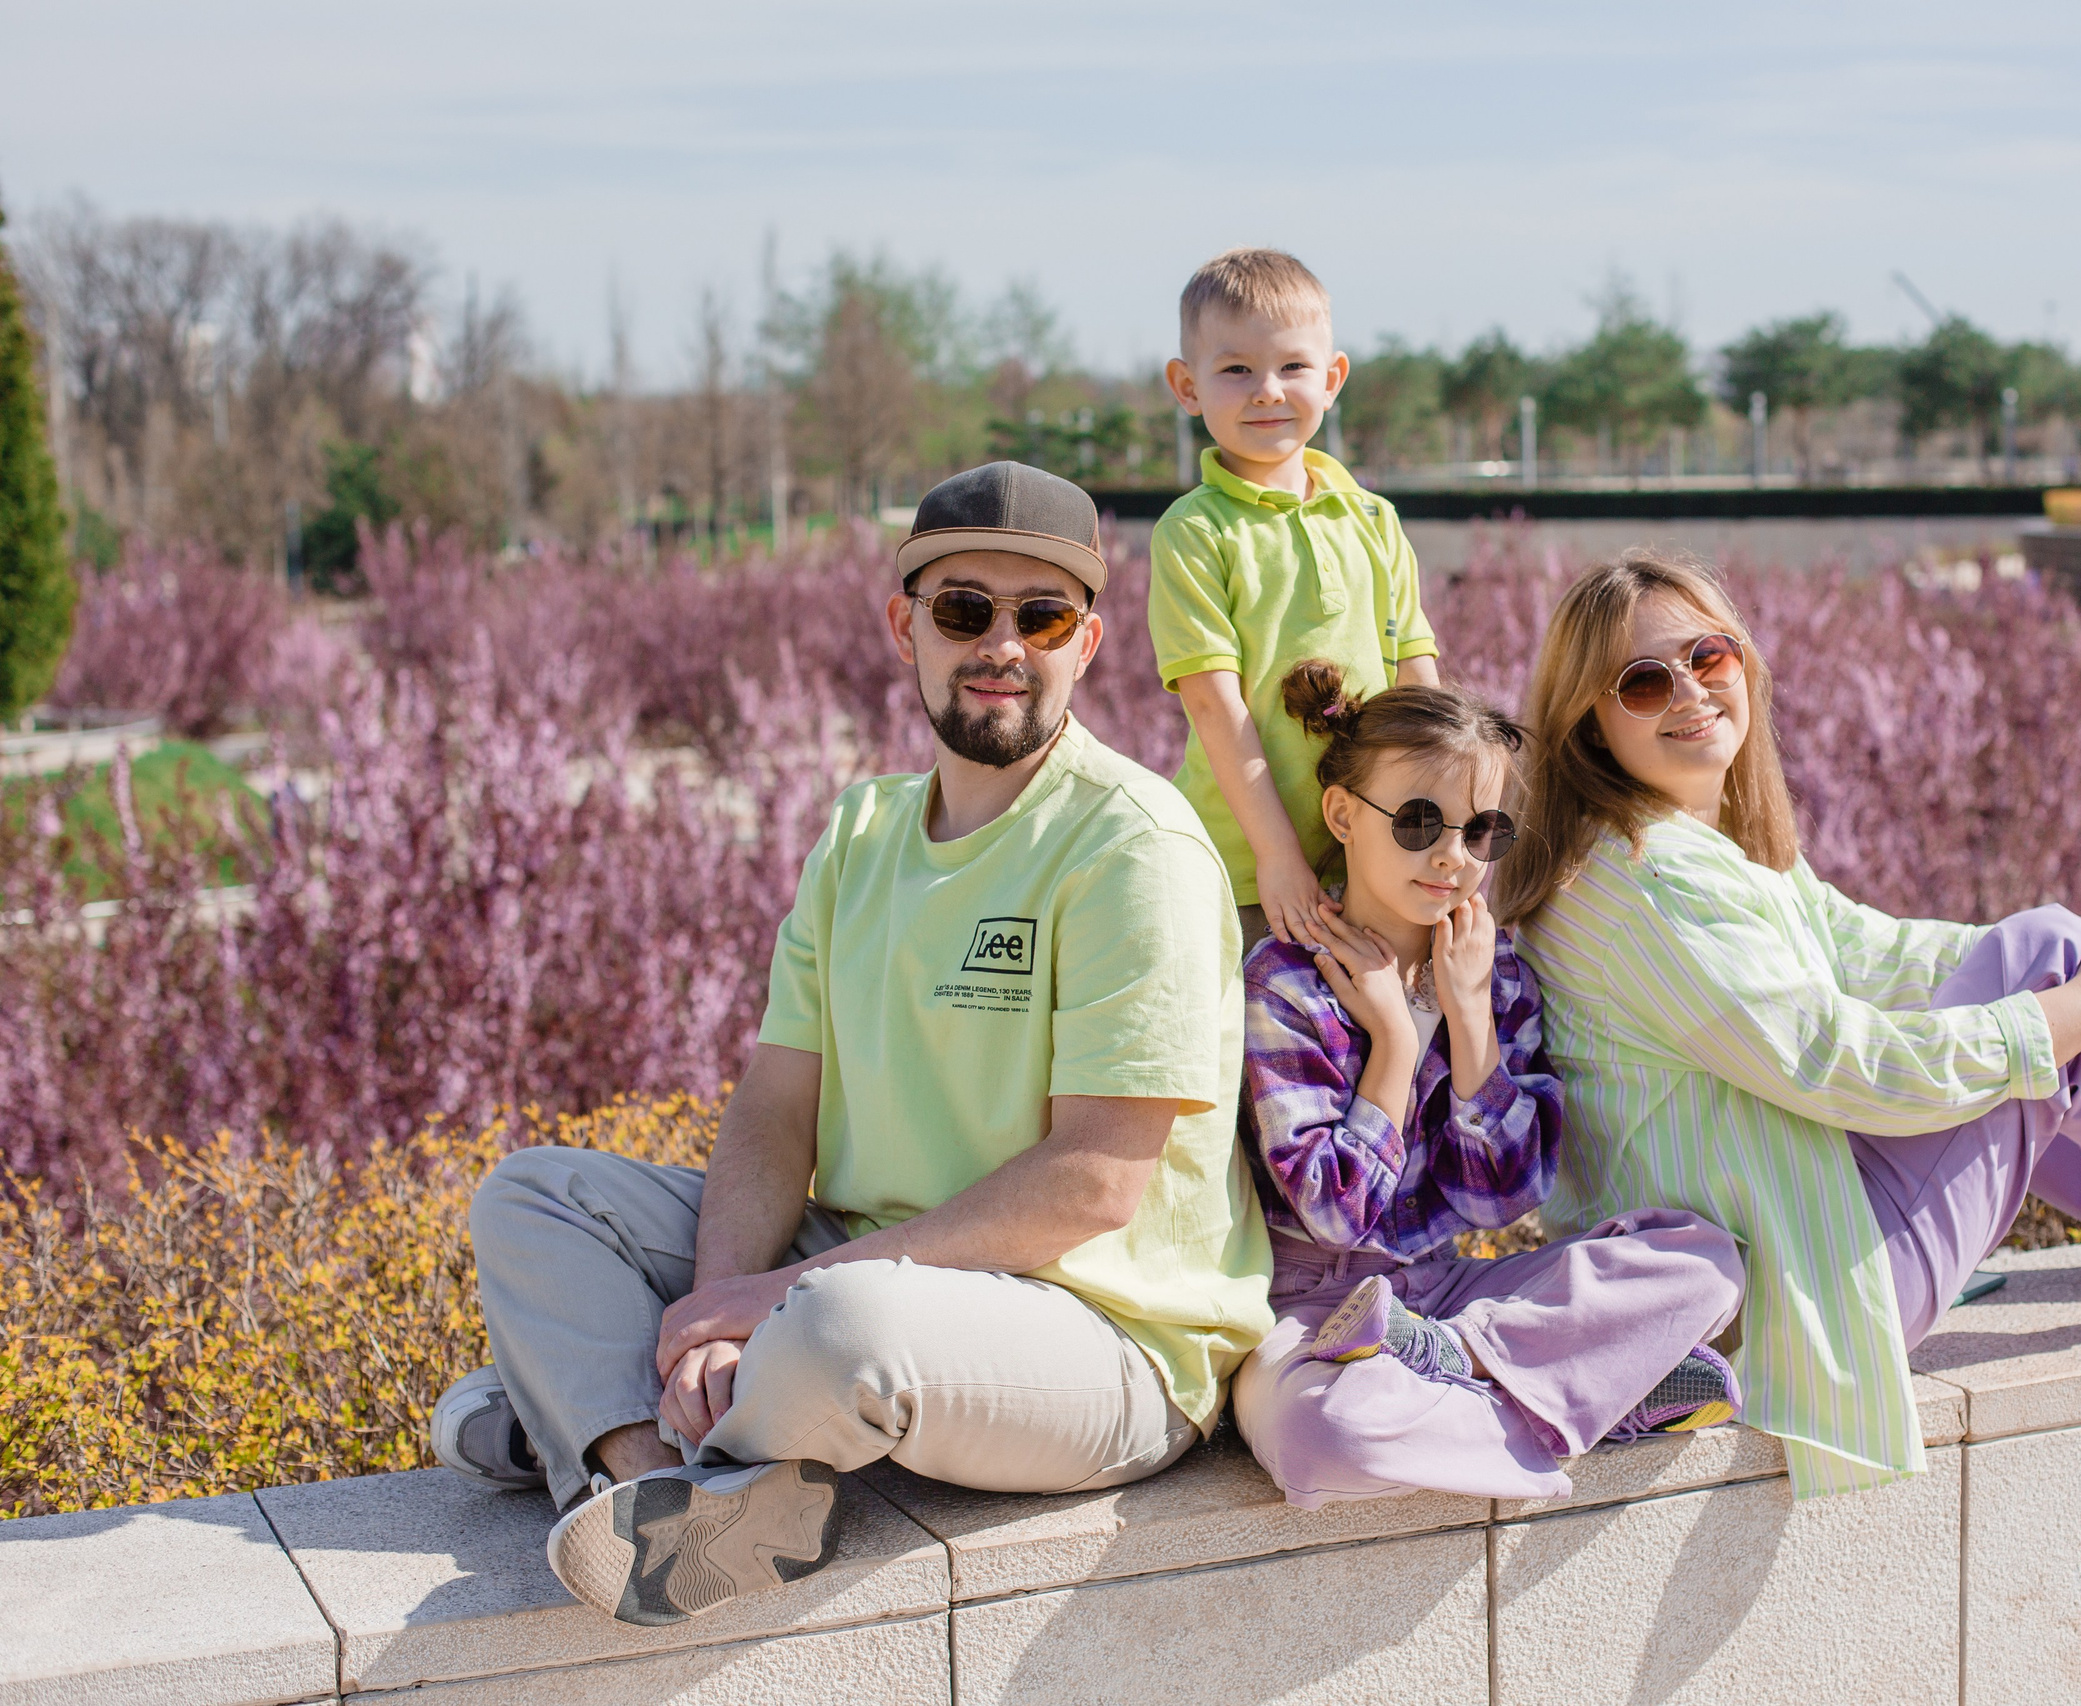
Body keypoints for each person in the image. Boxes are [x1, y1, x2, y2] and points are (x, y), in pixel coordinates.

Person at [432, 462, 1273, 1624]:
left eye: (1041, 616)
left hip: (1108, 1333)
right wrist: (724, 1296)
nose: (1002, 643)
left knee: (843, 1327)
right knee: (535, 1195)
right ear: (904, 625)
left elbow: (1095, 1180)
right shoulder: (862, 831)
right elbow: (775, 1108)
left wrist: (777, 1297)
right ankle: (651, 1477)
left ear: (1088, 641)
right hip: (881, 1260)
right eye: (963, 609)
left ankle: (575, 1416)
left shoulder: (1132, 844)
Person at [1499, 551, 2081, 1499]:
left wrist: (2074, 949)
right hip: (1801, 1293)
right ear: (1591, 727)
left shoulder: (1683, 844)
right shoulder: (1655, 880)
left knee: (2046, 954)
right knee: (2045, 991)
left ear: (1745, 665)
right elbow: (1837, 1065)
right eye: (1644, 682)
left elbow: (1869, 952)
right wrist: (2069, 1003)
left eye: (1710, 657)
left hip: (1787, 1242)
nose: (1689, 691)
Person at [1232, 658, 1747, 1509]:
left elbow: (1505, 1201)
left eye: (1483, 832)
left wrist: (1468, 1023)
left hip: (1450, 1298)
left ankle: (1454, 1365)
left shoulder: (1492, 972)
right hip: (1308, 1312)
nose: (1452, 857)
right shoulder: (1288, 983)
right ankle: (1591, 1397)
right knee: (1323, 1438)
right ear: (1342, 815)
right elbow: (1334, 1212)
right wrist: (1395, 1041)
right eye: (1419, 822)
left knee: (1706, 1263)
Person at [1150, 247, 1443, 951]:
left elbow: (1418, 681)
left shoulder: (1372, 519)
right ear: (1187, 387)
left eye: (1293, 367)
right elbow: (1215, 705)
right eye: (1236, 370)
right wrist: (1277, 857)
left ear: (1333, 377)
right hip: (1250, 873)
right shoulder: (1194, 531)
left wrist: (1433, 827)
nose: (1268, 391)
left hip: (1373, 860)